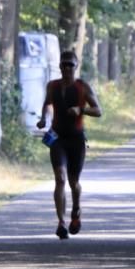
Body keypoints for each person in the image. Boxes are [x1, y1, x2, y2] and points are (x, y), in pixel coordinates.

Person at [37, 50, 102, 239]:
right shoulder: (53, 86)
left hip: (76, 140)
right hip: (57, 139)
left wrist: (81, 109)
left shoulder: (83, 87)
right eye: (64, 65)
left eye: (70, 65)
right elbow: (47, 104)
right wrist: (44, 119)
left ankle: (76, 209)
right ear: (59, 66)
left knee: (74, 183)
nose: (67, 68)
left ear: (76, 66)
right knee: (60, 178)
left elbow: (98, 110)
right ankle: (61, 223)